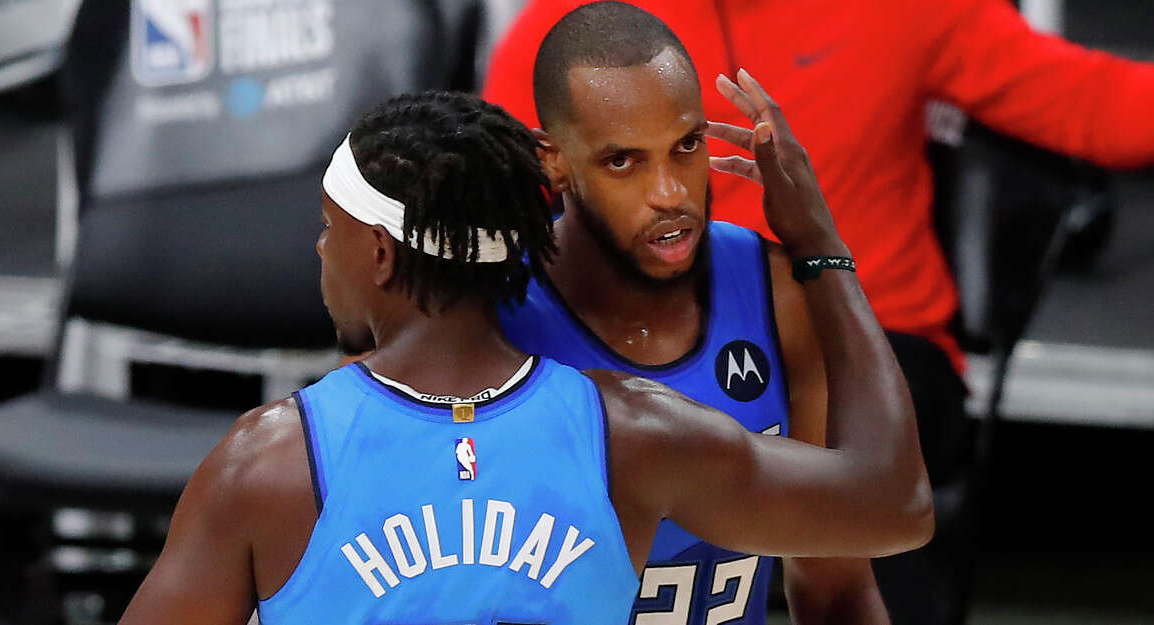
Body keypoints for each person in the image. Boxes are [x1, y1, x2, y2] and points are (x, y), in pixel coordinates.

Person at [115, 90, 931, 625]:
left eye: (331, 230)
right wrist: (820, 247)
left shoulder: (266, 464)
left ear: (381, 256)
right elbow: (894, 505)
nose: (320, 250)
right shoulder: (634, 431)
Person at [482, 1, 1154, 623]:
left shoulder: (911, 7)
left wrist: (821, 251)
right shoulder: (574, 32)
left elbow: (1098, 104)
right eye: (628, 159)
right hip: (628, 331)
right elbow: (483, 195)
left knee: (864, 518)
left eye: (687, 146)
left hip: (870, 323)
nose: (666, 187)